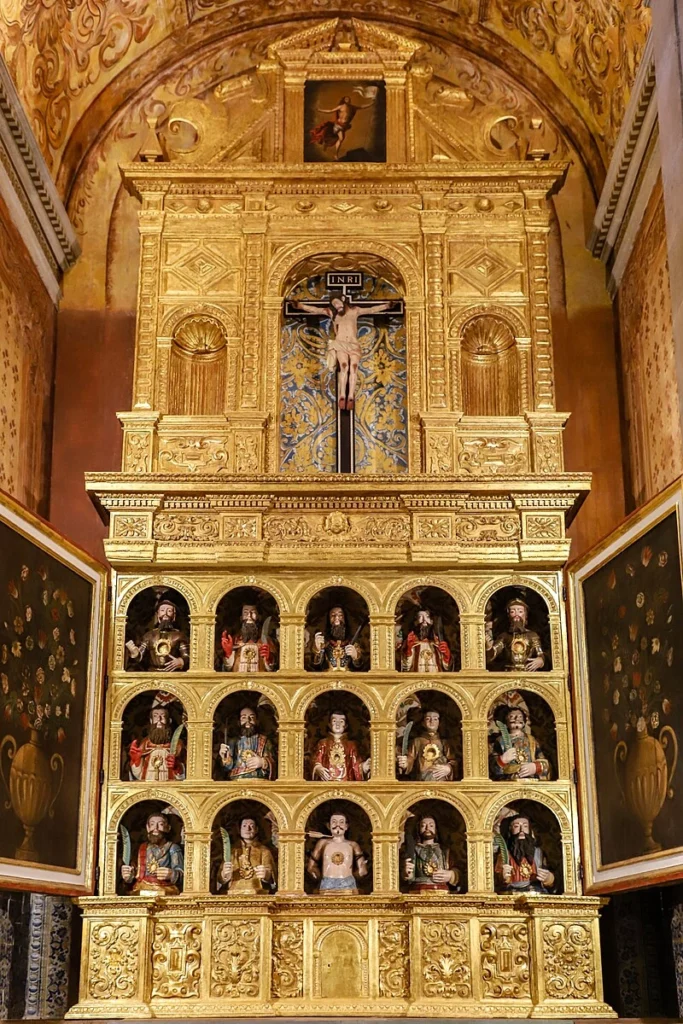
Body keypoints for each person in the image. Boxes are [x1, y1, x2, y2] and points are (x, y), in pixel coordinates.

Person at [294, 297, 392, 410]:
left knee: (354, 367)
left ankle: (351, 395)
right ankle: (342, 395)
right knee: (344, 367)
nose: (336, 305)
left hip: (353, 344)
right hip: (340, 344)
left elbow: (371, 310)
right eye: (334, 304)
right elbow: (315, 310)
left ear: (343, 300)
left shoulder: (355, 310)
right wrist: (301, 306)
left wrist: (386, 306)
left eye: (337, 302)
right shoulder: (332, 314)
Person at [121, 813, 184, 895]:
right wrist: (128, 876)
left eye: (160, 824)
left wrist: (171, 874)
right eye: (152, 824)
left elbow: (183, 875)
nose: (156, 828)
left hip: (165, 889)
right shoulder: (141, 849)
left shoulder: (173, 848)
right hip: (142, 889)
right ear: (147, 828)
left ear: (168, 828)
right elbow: (134, 873)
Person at [307, 811, 368, 894]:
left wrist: (359, 872)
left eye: (341, 822)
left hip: (348, 883)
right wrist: (321, 878)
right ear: (329, 826)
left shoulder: (353, 845)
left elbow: (362, 870)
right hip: (327, 883)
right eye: (334, 822)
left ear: (346, 826)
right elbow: (311, 866)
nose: (338, 825)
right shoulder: (323, 843)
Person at [494, 813, 555, 894]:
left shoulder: (539, 853)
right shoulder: (504, 854)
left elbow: (551, 877)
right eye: (516, 826)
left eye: (525, 826)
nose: (521, 830)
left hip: (535, 892)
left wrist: (548, 878)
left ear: (530, 830)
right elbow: (495, 878)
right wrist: (503, 876)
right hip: (512, 893)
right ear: (510, 830)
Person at [125, 596, 189, 672]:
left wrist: (181, 661)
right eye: (162, 610)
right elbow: (140, 657)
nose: (165, 614)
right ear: (157, 614)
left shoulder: (179, 636)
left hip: (173, 675)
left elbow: (187, 656)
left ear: (174, 615)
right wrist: (135, 653)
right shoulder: (149, 636)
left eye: (169, 611)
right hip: (152, 673)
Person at [127, 698, 185, 781]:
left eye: (163, 716)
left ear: (169, 721)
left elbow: (186, 774)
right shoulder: (143, 744)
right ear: (151, 721)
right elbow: (138, 775)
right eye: (155, 716)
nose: (159, 719)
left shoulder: (177, 745)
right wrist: (136, 761)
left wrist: (177, 767)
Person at [490, 704, 551, 781]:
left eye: (520, 717)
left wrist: (535, 767)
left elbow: (544, 762)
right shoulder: (500, 740)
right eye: (512, 717)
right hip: (509, 781)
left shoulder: (531, 740)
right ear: (506, 721)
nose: (516, 719)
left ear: (524, 721)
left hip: (530, 780)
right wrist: (503, 760)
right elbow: (492, 768)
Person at [486, 597, 545, 672]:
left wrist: (541, 659)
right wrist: (489, 647)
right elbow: (493, 654)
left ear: (525, 615)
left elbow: (540, 652)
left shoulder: (532, 635)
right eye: (512, 612)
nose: (516, 615)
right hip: (509, 672)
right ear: (509, 616)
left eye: (520, 611)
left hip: (528, 672)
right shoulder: (505, 636)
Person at [309, 93, 376, 160]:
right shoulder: (341, 106)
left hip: (343, 127)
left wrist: (371, 103)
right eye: (346, 99)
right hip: (338, 125)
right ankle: (327, 144)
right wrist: (320, 110)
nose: (348, 100)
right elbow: (330, 111)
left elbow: (362, 107)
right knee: (330, 135)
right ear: (344, 100)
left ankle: (335, 154)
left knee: (339, 139)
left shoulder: (352, 107)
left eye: (349, 99)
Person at [218, 817, 276, 893]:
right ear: (239, 830)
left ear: (256, 829)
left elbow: (272, 876)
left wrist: (266, 875)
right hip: (233, 893)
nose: (248, 829)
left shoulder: (264, 851)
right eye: (244, 826)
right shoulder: (232, 851)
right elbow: (220, 879)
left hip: (259, 895)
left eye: (251, 826)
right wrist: (224, 874)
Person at [396, 709, 457, 781]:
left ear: (439, 723)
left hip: (441, 782)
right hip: (422, 781)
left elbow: (454, 761)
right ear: (423, 723)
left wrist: (449, 768)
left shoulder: (445, 743)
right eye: (428, 719)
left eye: (435, 719)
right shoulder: (417, 741)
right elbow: (410, 758)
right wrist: (405, 763)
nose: (432, 721)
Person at [218, 705, 276, 780]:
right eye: (244, 717)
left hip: (259, 780)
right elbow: (227, 768)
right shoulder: (233, 742)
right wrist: (224, 757)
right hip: (237, 780)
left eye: (252, 717)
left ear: (257, 721)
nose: (248, 721)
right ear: (239, 722)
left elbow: (275, 762)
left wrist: (262, 762)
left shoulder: (265, 741)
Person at [403, 815, 459, 892]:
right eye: (423, 825)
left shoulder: (444, 850)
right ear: (418, 829)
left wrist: (451, 875)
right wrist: (407, 873)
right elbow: (409, 876)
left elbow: (458, 871)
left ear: (436, 829)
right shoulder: (414, 850)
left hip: (441, 891)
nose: (427, 828)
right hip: (418, 891)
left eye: (431, 825)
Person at [312, 711, 370, 781]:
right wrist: (318, 768)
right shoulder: (323, 743)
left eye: (341, 721)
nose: (337, 724)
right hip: (326, 783)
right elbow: (316, 759)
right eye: (334, 721)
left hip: (346, 783)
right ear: (329, 724)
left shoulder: (351, 745)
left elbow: (355, 765)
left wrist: (363, 767)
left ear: (346, 725)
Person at [220, 603, 278, 672]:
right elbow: (227, 668)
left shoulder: (267, 641)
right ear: (241, 618)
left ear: (259, 617)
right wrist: (228, 653)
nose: (249, 616)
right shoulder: (234, 640)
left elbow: (274, 668)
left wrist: (269, 659)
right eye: (245, 612)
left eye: (253, 612)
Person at [309, 605, 365, 671]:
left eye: (340, 615)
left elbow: (361, 667)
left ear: (345, 619)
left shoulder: (354, 642)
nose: (336, 618)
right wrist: (317, 650)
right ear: (328, 620)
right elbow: (315, 667)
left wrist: (356, 657)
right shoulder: (323, 642)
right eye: (333, 615)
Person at [399, 607, 452, 672]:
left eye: (427, 617)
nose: (424, 620)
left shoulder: (438, 643)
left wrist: (447, 655)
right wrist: (408, 650)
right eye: (420, 616)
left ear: (432, 621)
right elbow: (406, 667)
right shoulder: (410, 642)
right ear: (415, 621)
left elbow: (446, 667)